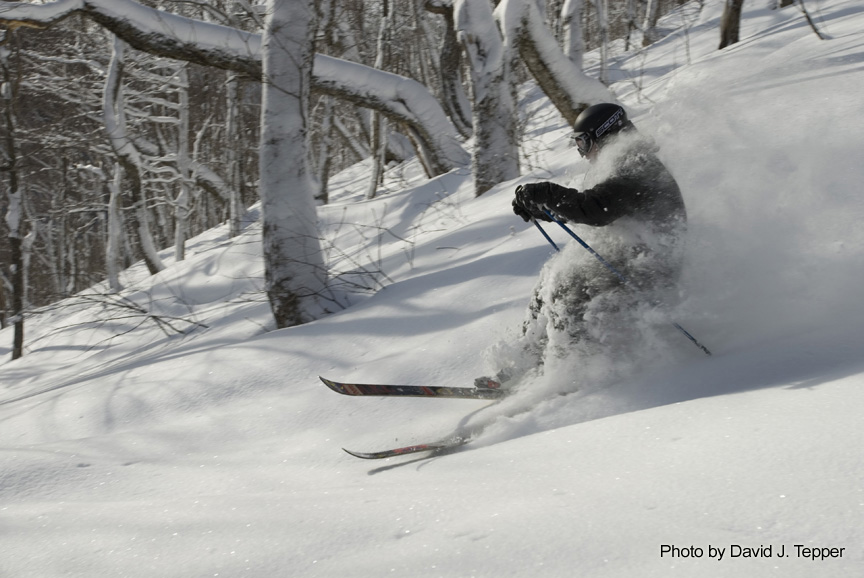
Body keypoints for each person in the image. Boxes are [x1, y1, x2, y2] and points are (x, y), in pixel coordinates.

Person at [476, 103, 687, 390]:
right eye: (578, 144)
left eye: (584, 143)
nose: (582, 152)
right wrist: (542, 207)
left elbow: (597, 208)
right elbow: (595, 206)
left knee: (569, 284)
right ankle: (528, 360)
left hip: (652, 268)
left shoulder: (638, 166)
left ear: (604, 135)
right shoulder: (622, 162)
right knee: (551, 278)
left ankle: (567, 371)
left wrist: (547, 194)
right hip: (633, 257)